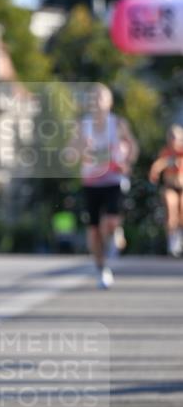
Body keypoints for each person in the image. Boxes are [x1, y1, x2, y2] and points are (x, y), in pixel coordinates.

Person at [77, 84, 138, 288]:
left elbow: (133, 147)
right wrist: (79, 151)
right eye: (92, 98)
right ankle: (102, 269)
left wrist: (126, 163)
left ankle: (114, 233)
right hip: (91, 182)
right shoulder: (83, 125)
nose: (96, 101)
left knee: (110, 221)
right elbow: (70, 151)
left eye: (100, 97)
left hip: (113, 180)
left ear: (109, 101)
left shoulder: (118, 123)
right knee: (93, 231)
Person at [148, 124, 183, 257]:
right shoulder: (166, 152)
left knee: (181, 210)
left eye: (178, 137)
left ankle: (179, 237)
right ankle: (172, 241)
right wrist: (154, 172)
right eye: (172, 137)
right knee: (171, 207)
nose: (175, 140)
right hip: (170, 187)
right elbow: (159, 164)